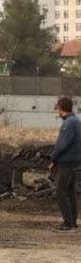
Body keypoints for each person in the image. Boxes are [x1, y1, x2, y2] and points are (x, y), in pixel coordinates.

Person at [49, 96, 80, 232]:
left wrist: (53, 159)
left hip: (66, 163)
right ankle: (73, 222)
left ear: (61, 108)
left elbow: (62, 144)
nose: (57, 112)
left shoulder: (69, 123)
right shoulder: (77, 121)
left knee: (61, 192)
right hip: (75, 163)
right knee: (71, 192)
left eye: (58, 109)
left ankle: (68, 223)